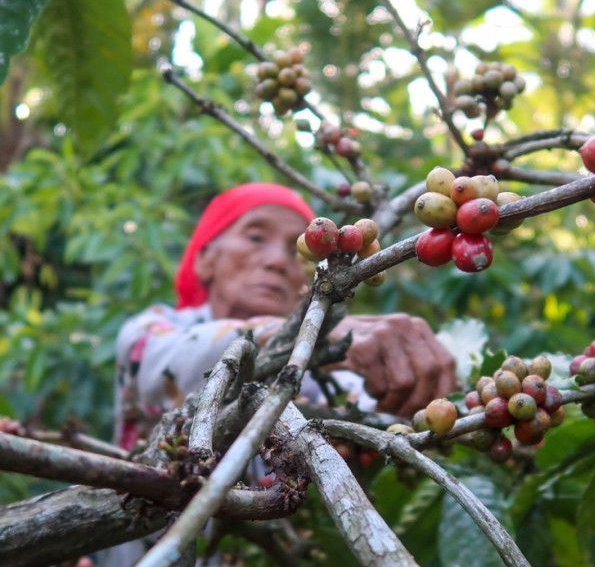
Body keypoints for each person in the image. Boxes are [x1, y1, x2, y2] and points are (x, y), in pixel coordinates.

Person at [114, 182, 457, 450]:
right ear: (205, 259)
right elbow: (154, 359)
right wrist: (309, 335)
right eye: (255, 237)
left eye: (294, 251)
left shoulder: (318, 378)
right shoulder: (155, 329)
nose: (277, 261)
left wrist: (412, 390)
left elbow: (371, 411)